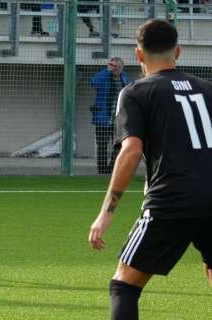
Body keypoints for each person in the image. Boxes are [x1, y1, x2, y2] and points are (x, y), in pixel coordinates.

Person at [88, 19, 212, 320]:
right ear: (178, 52)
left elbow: (131, 150)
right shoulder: (208, 89)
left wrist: (106, 213)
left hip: (170, 200)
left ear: (138, 55)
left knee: (123, 286)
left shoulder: (135, 92)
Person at [90, 57, 130, 174]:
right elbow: (93, 82)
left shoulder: (124, 78)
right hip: (103, 119)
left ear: (122, 67)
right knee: (102, 146)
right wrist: (106, 71)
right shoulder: (104, 77)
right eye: (113, 66)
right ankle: (102, 172)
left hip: (118, 120)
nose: (116, 69)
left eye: (118, 66)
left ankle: (112, 169)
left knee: (119, 145)